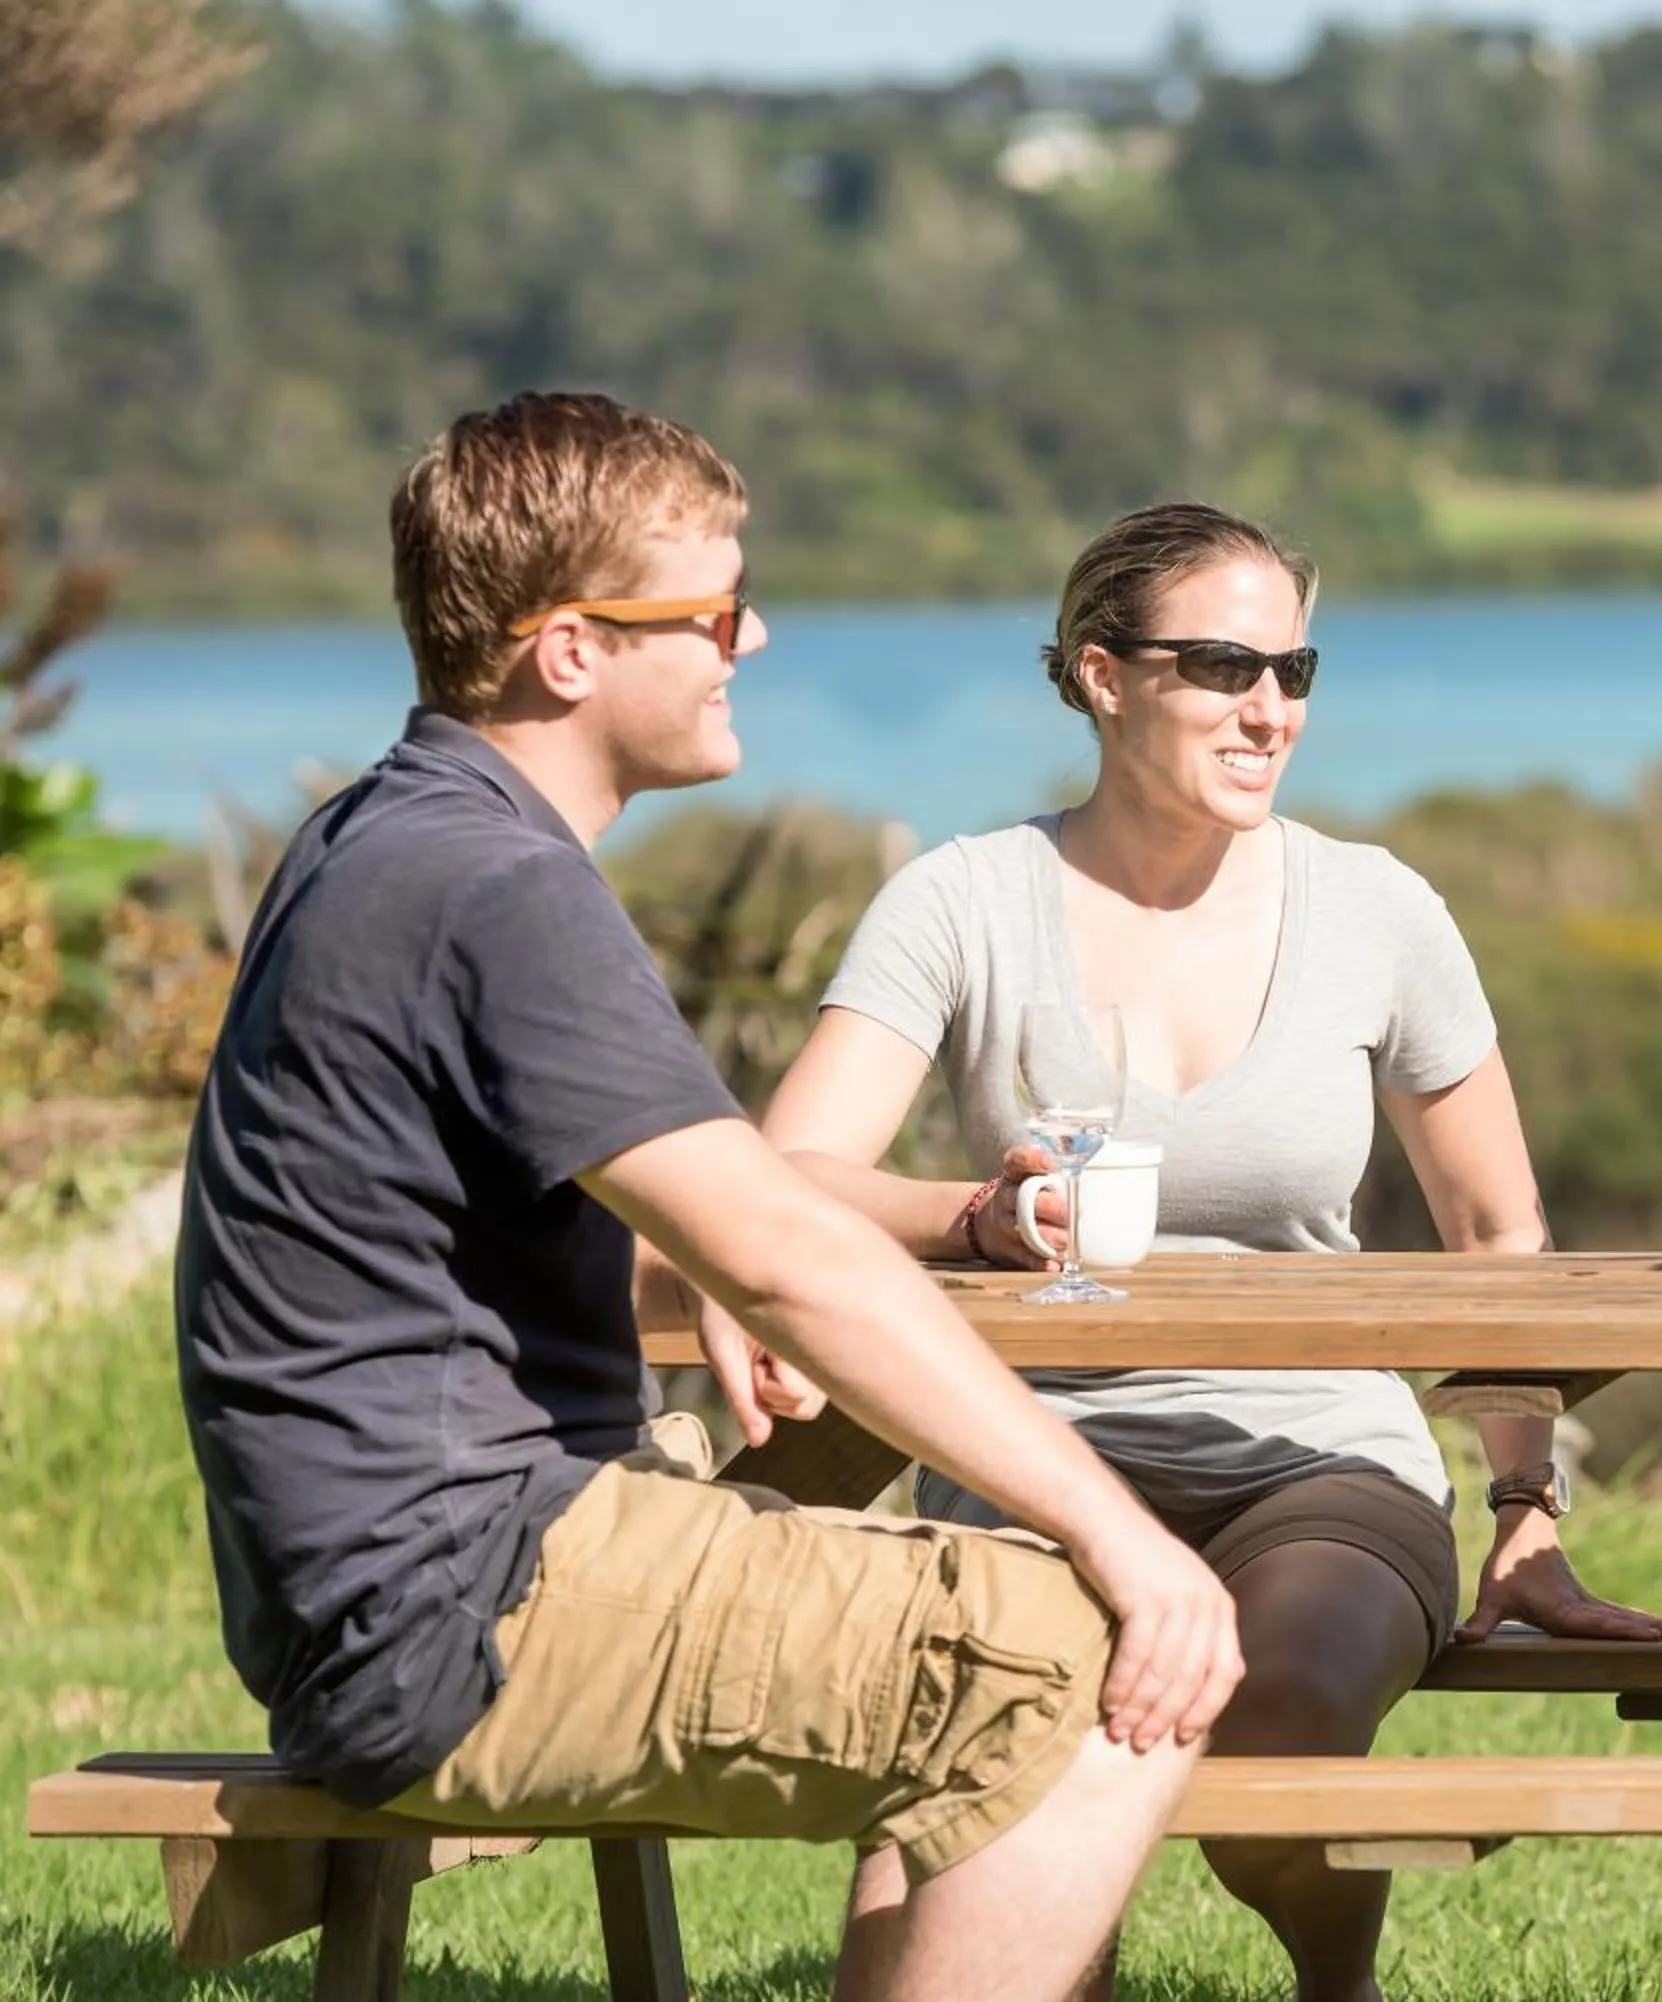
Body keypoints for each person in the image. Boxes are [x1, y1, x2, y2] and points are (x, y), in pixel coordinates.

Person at [173, 392, 1243, 2002]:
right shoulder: (498, 883)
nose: (753, 633)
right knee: (1087, 1651)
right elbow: (784, 1247)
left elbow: (612, 1225)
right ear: (570, 651)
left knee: (882, 1434)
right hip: (459, 1608)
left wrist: (738, 1282)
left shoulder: (386, 833)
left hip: (388, 1575)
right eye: (712, 611)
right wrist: (1123, 1526)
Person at [720, 499, 1662, 2002]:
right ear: (1104, 673)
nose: (1270, 707)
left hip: (1323, 1459)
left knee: (1279, 1725)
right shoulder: (966, 901)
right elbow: (787, 1174)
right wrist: (969, 1215)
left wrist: (1525, 1507)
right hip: (1033, 1459)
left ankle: (1333, 1980)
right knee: (997, 1771)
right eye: (1226, 664)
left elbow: (1500, 1235)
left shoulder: (1376, 910)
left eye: (1297, 671)